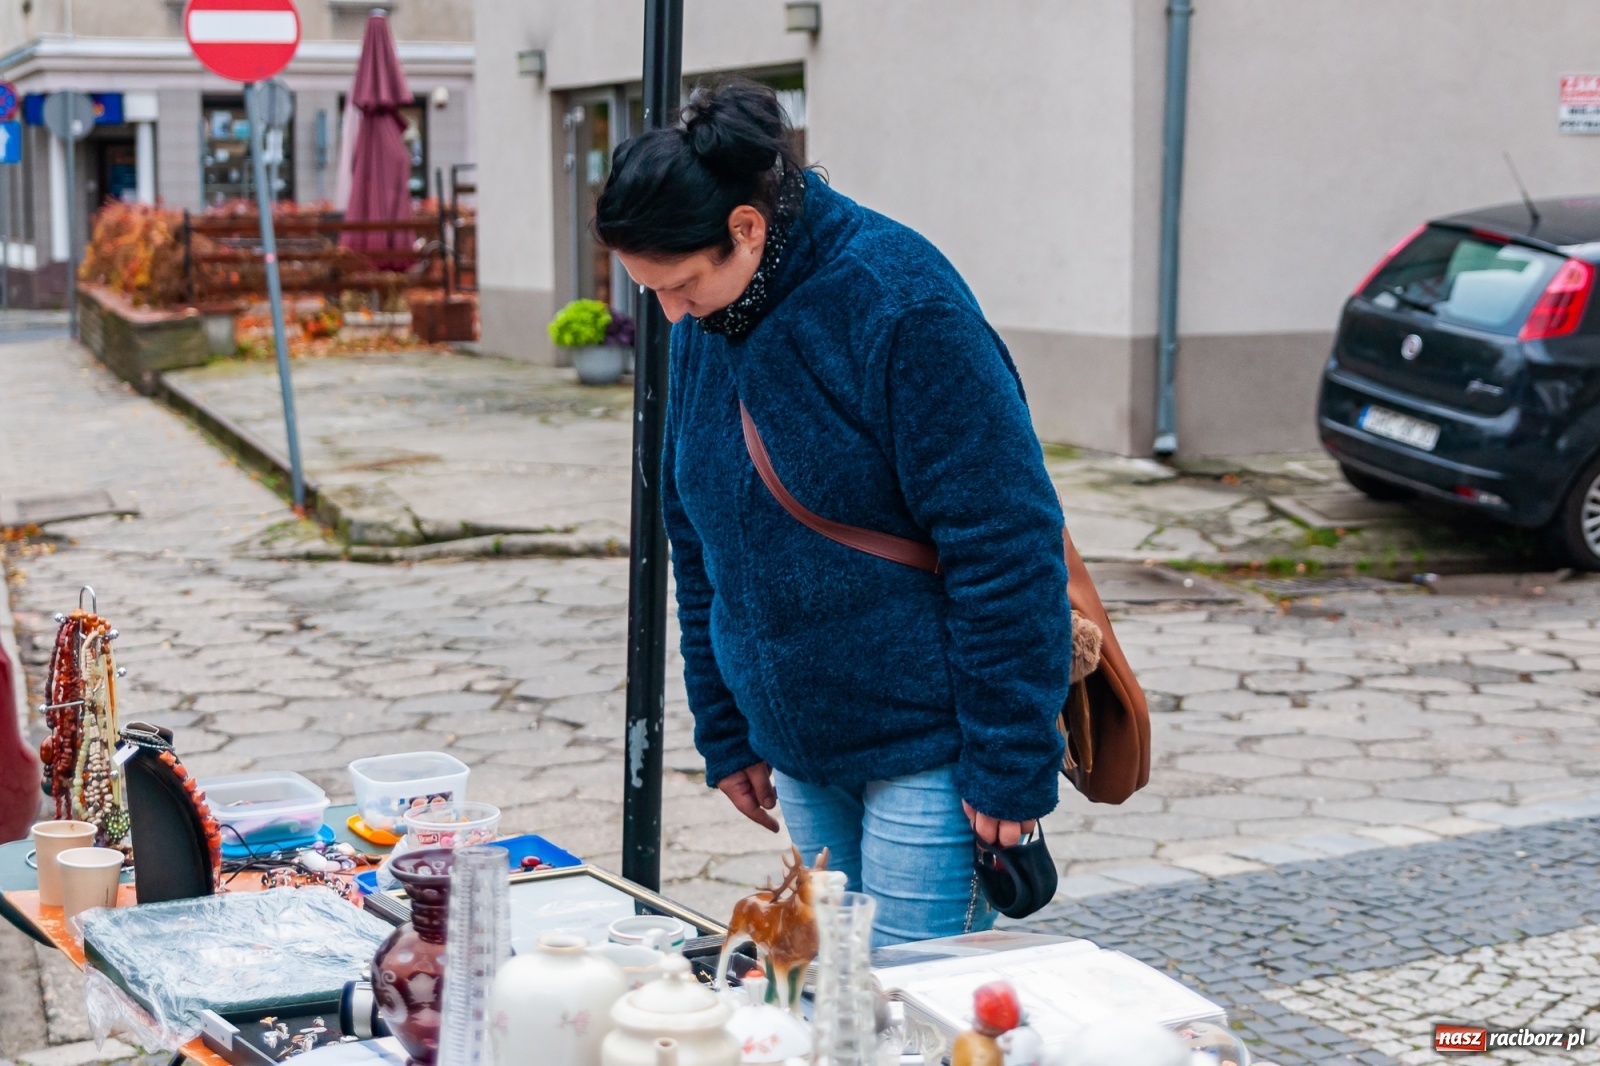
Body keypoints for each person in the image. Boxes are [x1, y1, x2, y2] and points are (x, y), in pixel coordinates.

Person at [594, 81, 1070, 946]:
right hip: (801, 751)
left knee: (905, 1006)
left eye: (681, 284)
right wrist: (727, 727)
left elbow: (1004, 541)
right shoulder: (711, 318)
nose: (670, 313)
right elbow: (695, 540)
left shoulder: (900, 303)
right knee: (836, 995)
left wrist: (1010, 761)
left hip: (931, 748)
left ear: (747, 227)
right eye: (649, 291)